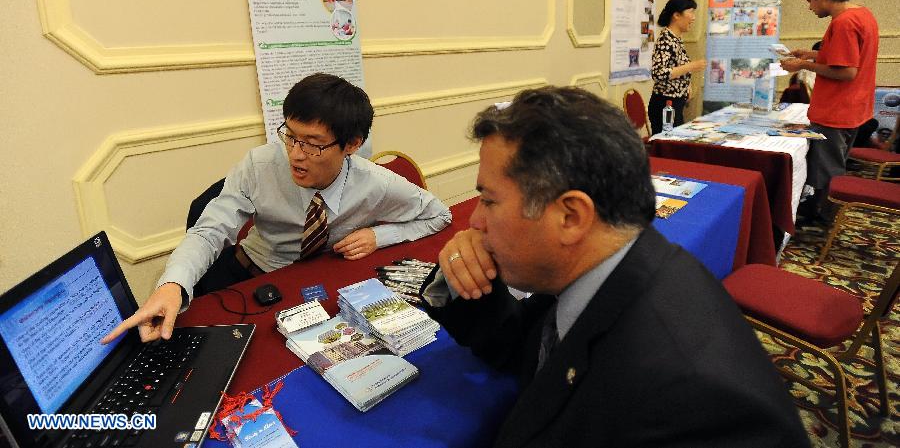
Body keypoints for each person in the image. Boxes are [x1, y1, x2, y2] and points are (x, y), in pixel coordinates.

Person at [420, 86, 809, 447]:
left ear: (571, 217)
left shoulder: (694, 400)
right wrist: (466, 275)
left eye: (488, 200)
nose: (474, 222)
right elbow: (525, 347)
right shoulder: (608, 269)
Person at [103, 73, 451, 344]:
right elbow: (211, 229)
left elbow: (439, 215)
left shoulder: (376, 182)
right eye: (290, 135)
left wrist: (381, 235)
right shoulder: (260, 165)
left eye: (313, 144)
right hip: (247, 273)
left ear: (352, 145)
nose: (296, 154)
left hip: (315, 280)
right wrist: (173, 285)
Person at [781, 0, 879, 222]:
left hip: (837, 110)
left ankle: (825, 218)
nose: (810, 7)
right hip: (854, 108)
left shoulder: (844, 22)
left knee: (827, 172)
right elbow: (843, 56)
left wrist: (803, 65)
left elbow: (846, 71)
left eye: (810, 1)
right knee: (833, 166)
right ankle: (820, 211)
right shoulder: (862, 14)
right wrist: (810, 54)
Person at [649, 0, 707, 135]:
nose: (693, 18)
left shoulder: (676, 39)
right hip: (665, 104)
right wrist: (691, 66)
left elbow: (675, 67)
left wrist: (687, 85)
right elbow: (658, 73)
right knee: (668, 144)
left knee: (675, 141)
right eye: (691, 12)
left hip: (675, 103)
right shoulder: (666, 39)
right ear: (676, 15)